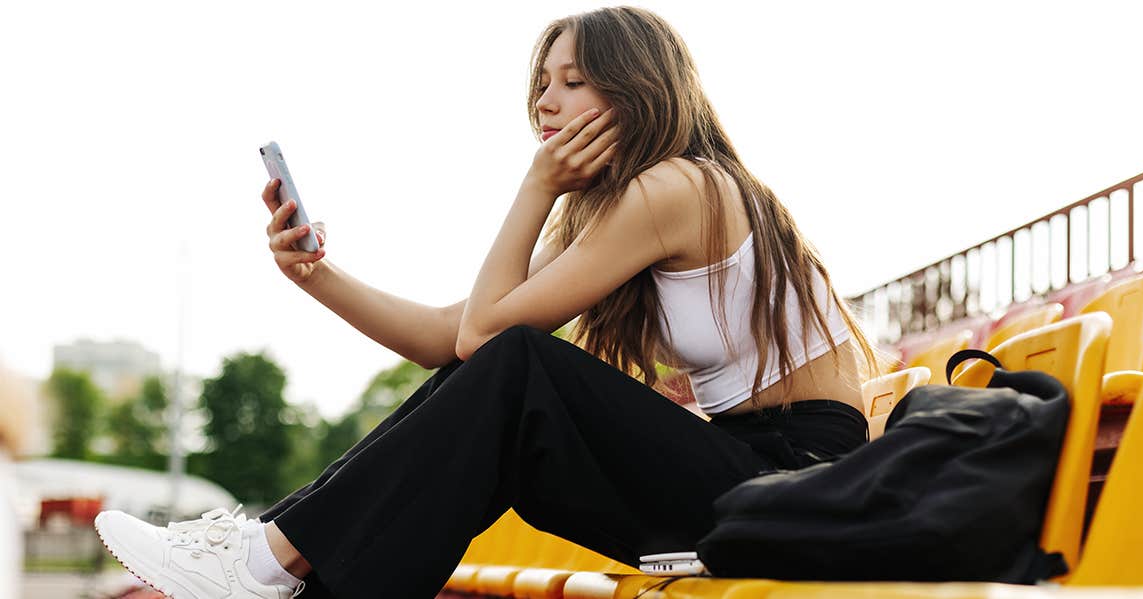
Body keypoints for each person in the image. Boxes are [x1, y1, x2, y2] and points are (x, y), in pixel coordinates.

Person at [94, 7, 879, 598]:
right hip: (744, 483)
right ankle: (276, 559)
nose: (547, 103)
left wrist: (535, 185)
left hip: (799, 489)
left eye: (574, 82)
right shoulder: (627, 210)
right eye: (542, 86)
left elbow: (482, 338)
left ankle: (269, 558)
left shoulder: (679, 186)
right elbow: (450, 338)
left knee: (516, 366)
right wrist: (316, 276)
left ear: (641, 90)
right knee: (501, 384)